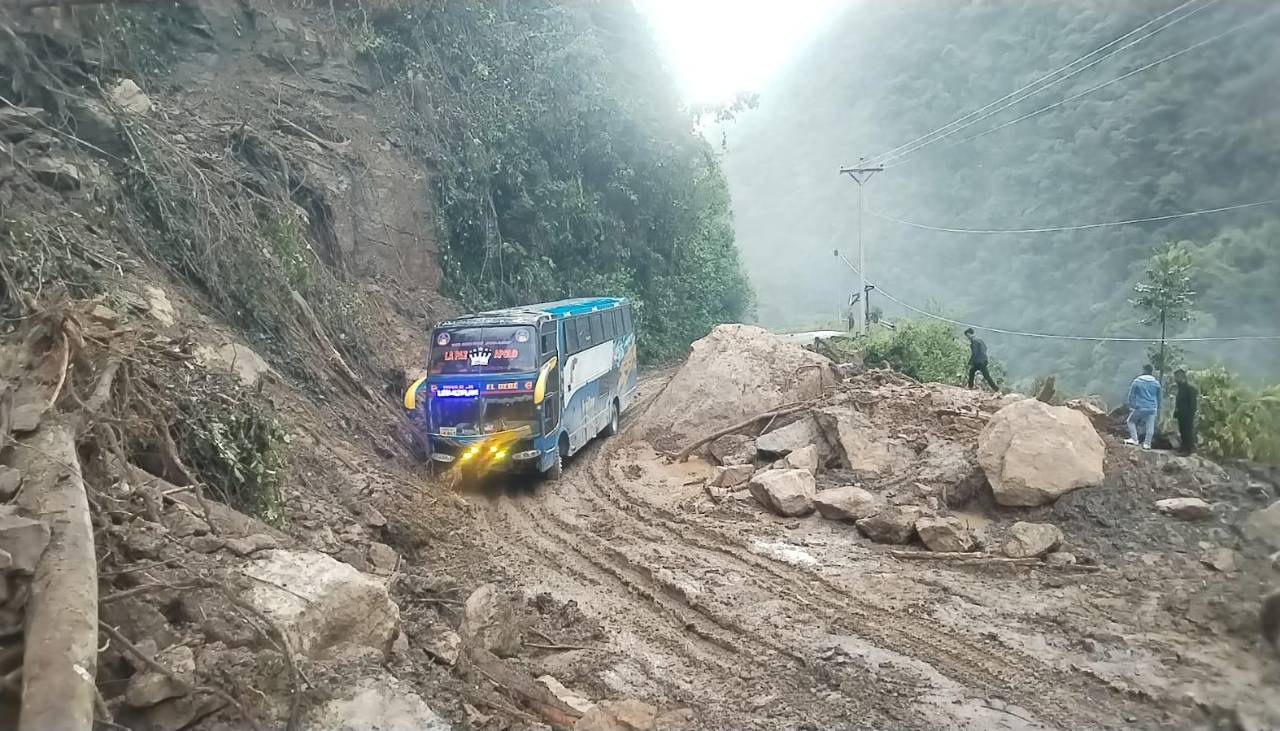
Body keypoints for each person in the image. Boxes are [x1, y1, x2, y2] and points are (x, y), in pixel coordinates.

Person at [1125, 364, 1162, 449]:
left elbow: (1131, 395)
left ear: (1144, 371)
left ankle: (1134, 439)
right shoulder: (1156, 383)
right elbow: (1159, 397)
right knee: (1150, 426)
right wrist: (1159, 408)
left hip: (1140, 407)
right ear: (1151, 372)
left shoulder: (1137, 381)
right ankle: (1147, 444)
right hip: (1152, 408)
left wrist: (1132, 405)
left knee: (1130, 421)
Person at [1173, 368, 1198, 455]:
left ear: (1182, 377)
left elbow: (1193, 404)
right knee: (1182, 431)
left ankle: (1188, 450)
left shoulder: (1190, 388)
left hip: (1187, 415)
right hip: (1181, 415)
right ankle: (1183, 447)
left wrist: (1191, 414)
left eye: (1176, 377)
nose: (1175, 379)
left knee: (1187, 431)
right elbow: (1179, 401)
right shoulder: (1180, 388)